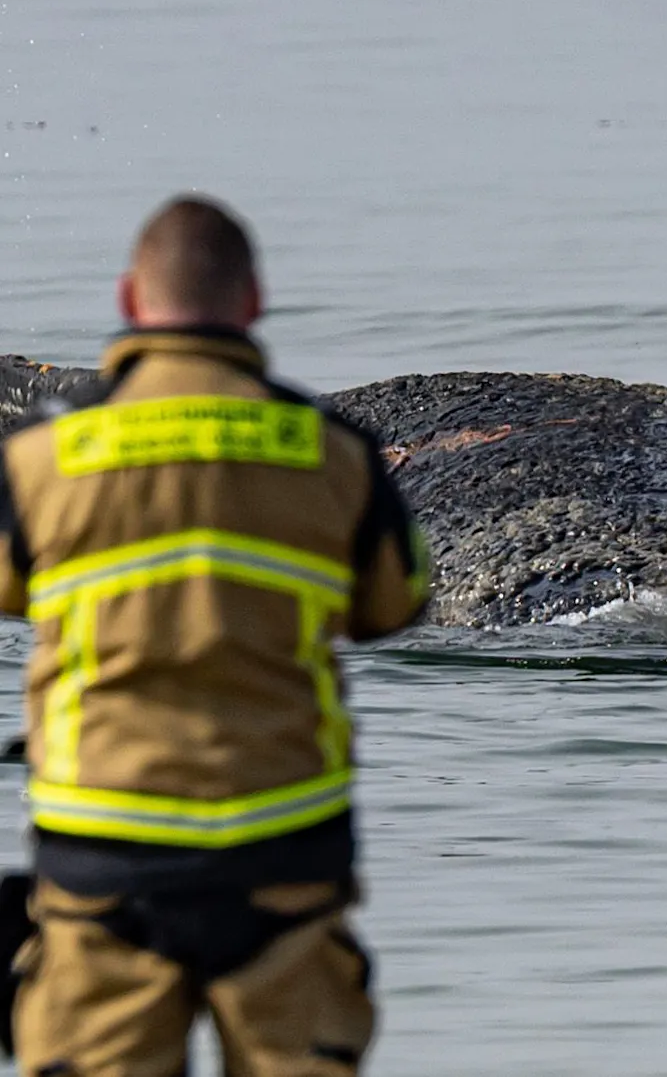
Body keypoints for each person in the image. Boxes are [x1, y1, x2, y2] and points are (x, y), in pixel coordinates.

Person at [0, 196, 430, 1073]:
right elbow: (398, 603)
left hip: (104, 848)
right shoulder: (331, 450)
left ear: (130, 298)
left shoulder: (45, 455)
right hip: (282, 846)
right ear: (255, 299)